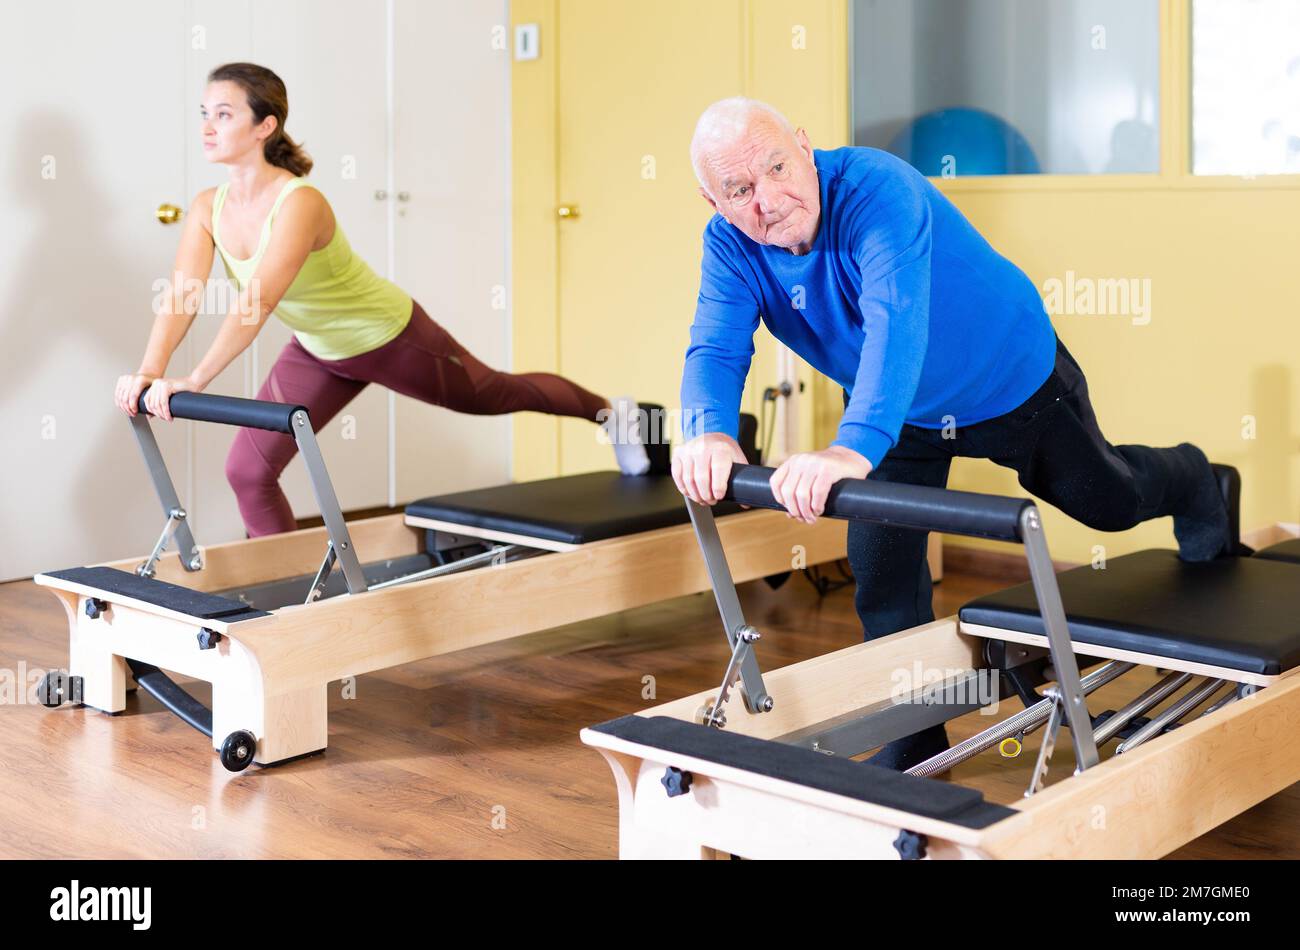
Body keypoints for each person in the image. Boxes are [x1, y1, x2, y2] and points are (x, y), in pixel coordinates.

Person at [672, 97, 1231, 770]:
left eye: (776, 167)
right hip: (901, 416)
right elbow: (716, 345)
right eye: (740, 190)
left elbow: (896, 323)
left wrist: (850, 449)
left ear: (804, 144)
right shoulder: (731, 247)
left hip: (1011, 379)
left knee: (1109, 502)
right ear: (712, 201)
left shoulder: (878, 190)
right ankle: (916, 735)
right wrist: (708, 432)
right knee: (881, 574)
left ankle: (1198, 479)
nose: (769, 199)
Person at [115, 62, 648, 537]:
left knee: (492, 394)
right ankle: (298, 608)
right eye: (204, 113)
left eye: (224, 114)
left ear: (264, 125)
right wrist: (149, 369)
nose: (207, 126)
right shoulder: (209, 205)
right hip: (320, 349)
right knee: (249, 472)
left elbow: (257, 302)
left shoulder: (299, 202)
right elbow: (184, 292)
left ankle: (611, 414)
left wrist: (194, 380)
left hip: (390, 336)